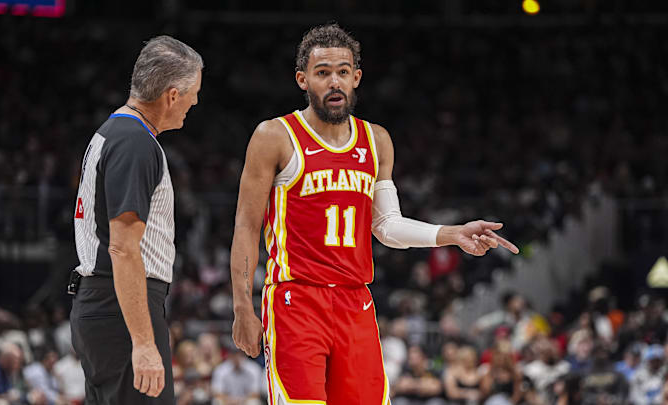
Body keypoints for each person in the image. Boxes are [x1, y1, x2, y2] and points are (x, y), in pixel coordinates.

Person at [230, 23, 519, 405]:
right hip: (296, 299)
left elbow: (386, 225)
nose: (335, 82)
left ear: (356, 77)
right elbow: (247, 226)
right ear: (302, 80)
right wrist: (241, 308)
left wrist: (451, 234)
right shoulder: (274, 136)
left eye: (343, 72)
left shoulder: (376, 140)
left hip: (356, 302)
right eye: (323, 73)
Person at [70, 35, 203, 404]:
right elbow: (123, 247)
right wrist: (144, 344)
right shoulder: (135, 142)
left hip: (105, 304)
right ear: (172, 95)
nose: (196, 101)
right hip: (121, 308)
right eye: (193, 92)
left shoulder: (114, 132)